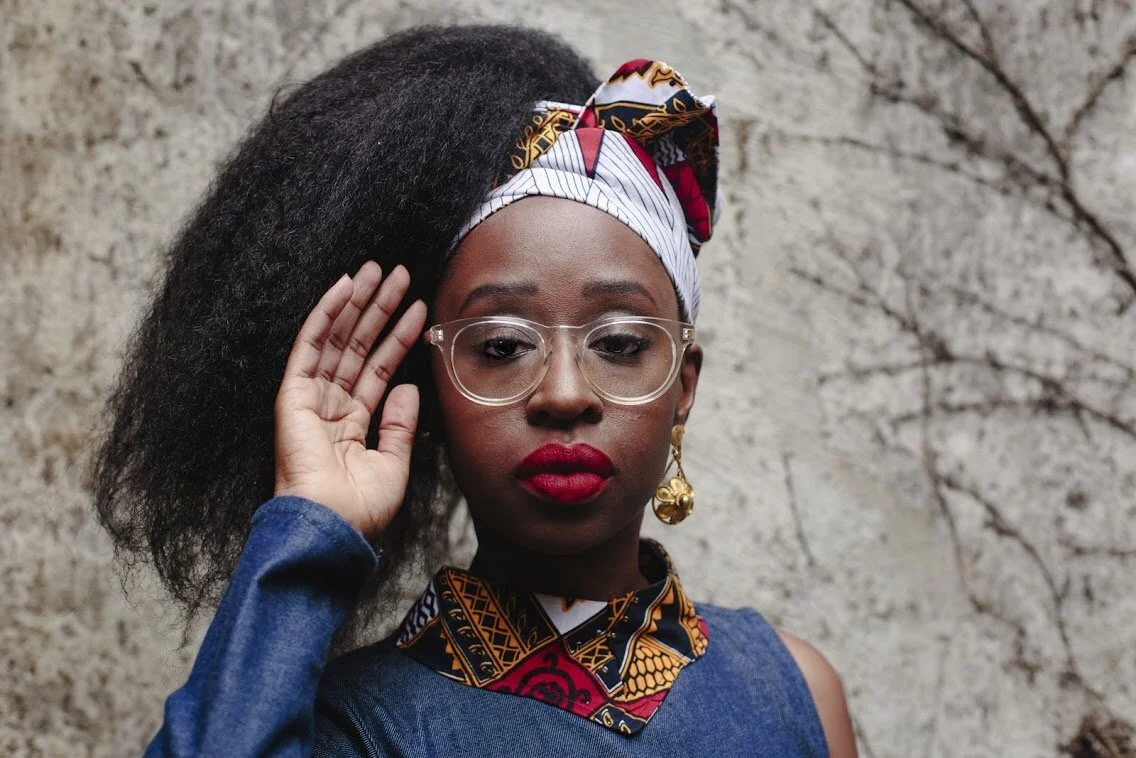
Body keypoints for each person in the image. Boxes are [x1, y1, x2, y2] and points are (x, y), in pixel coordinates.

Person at [91, 23, 856, 757]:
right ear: (429, 391)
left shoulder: (793, 690)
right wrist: (311, 521)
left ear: (682, 386)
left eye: (620, 344)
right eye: (501, 347)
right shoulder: (354, 728)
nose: (564, 393)